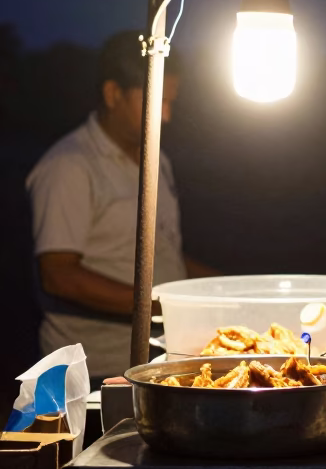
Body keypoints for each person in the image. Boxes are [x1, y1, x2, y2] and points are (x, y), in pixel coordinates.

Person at [26, 32, 216, 381]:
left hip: (158, 361)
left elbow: (163, 252)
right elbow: (59, 276)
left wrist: (222, 290)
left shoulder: (156, 160)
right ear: (113, 93)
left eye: (171, 102)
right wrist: (165, 307)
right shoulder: (70, 166)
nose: (167, 116)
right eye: (158, 101)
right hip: (93, 371)